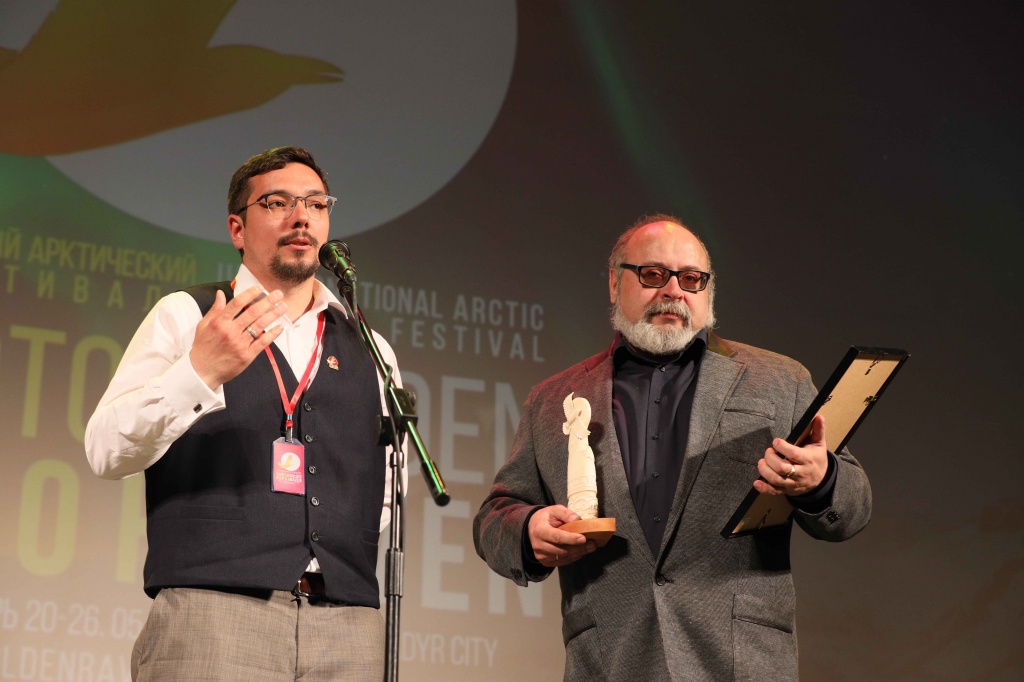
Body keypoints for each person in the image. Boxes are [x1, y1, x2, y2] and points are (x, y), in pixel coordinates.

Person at [473, 215, 872, 681]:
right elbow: (495, 516)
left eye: (691, 279)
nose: (674, 291)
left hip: (738, 663)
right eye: (653, 274)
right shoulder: (553, 399)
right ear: (614, 283)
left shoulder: (780, 380)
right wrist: (527, 531)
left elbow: (854, 506)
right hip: (610, 662)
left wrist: (822, 480)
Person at [85, 146, 405, 681]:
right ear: (237, 228)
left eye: (316, 204)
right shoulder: (187, 315)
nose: (301, 217)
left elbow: (387, 492)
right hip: (214, 612)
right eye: (278, 203)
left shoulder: (371, 349)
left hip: (347, 626)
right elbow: (105, 449)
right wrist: (199, 372)